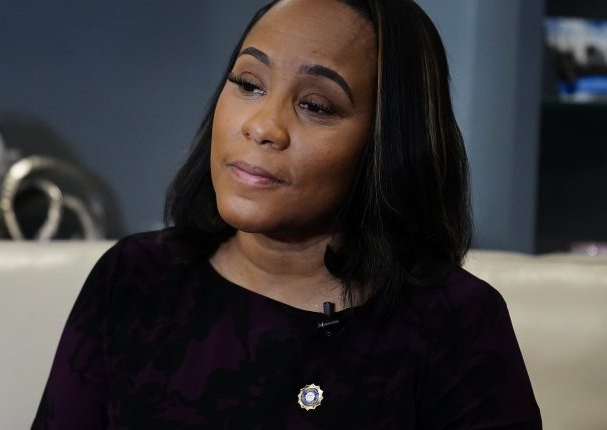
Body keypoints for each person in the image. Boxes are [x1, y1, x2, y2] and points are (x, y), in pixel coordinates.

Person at [32, 0, 542, 428]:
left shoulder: (458, 323)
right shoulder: (132, 278)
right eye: (249, 83)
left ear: (389, 143)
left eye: (316, 105)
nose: (262, 126)